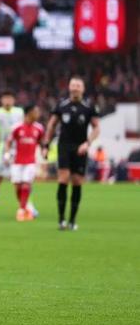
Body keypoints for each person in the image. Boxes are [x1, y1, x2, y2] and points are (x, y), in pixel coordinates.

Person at [44, 76, 100, 231]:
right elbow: (51, 125)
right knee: (63, 178)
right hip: (64, 146)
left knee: (77, 181)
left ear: (83, 89)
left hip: (80, 147)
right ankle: (61, 219)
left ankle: (72, 220)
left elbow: (96, 128)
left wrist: (87, 143)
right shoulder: (61, 105)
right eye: (73, 85)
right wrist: (46, 145)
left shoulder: (89, 107)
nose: (75, 88)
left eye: (78, 85)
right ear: (69, 87)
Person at [0, 90, 37, 218]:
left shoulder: (19, 112)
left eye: (10, 98)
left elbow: (30, 124)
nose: (7, 101)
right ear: (1, 100)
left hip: (20, 149)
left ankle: (29, 205)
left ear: (14, 100)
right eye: (5, 98)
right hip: (4, 149)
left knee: (25, 180)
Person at [5, 104, 44, 222]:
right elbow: (8, 142)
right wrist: (7, 154)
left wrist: (44, 151)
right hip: (16, 161)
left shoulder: (39, 128)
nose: (38, 114)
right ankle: (26, 208)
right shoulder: (16, 127)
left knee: (26, 185)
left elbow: (41, 142)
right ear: (29, 113)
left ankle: (21, 211)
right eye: (36, 111)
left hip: (31, 162)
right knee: (18, 187)